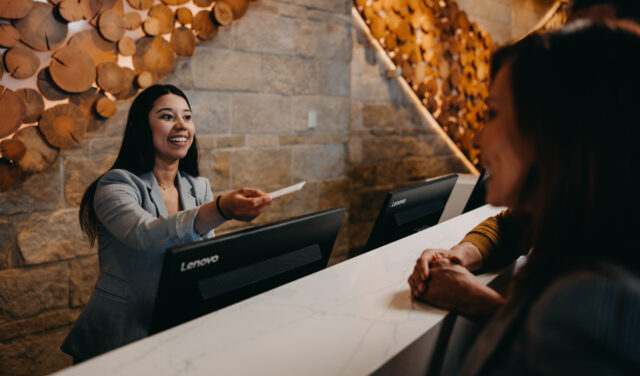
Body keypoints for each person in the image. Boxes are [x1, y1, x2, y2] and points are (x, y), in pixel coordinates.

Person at [408, 22, 640, 374]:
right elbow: (512, 226)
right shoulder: (577, 224)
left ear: (555, 132)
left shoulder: (588, 302)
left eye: (493, 114)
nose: (478, 139)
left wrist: (474, 300)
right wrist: (457, 256)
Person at [61, 85, 273, 363]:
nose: (181, 126)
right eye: (167, 116)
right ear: (142, 126)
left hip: (180, 327)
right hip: (120, 333)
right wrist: (222, 208)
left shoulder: (198, 187)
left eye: (187, 117)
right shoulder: (115, 185)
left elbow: (203, 257)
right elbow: (145, 235)